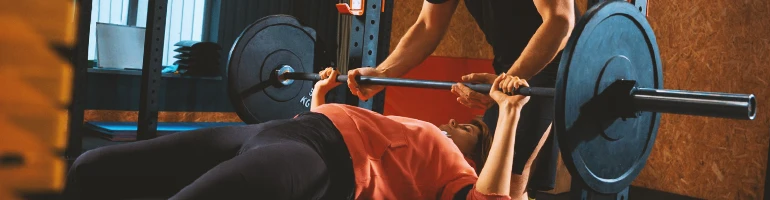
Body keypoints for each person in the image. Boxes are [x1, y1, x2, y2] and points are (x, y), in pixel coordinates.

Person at [64, 68, 548, 200]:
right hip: (279, 133)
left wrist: (508, 114)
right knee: (92, 170)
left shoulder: (457, 176)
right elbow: (344, 123)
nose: (449, 124)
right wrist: (321, 94)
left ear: (480, 159)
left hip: (323, 165)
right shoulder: (421, 134)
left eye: (464, 128)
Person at [345, 0, 577, 196]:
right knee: (490, 170)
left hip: (559, 62)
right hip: (508, 69)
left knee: (508, 182)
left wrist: (508, 81)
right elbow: (428, 25)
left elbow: (560, 21)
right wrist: (381, 74)